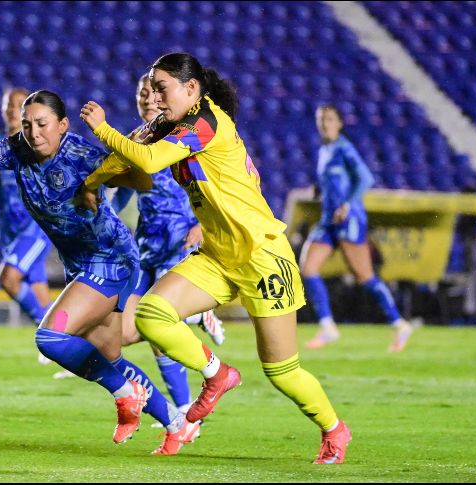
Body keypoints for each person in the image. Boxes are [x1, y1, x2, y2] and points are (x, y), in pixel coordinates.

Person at [79, 52, 351, 464]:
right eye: (151, 87)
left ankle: (334, 429)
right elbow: (127, 156)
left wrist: (102, 128)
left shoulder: (206, 121)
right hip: (217, 255)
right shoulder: (167, 125)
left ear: (191, 89)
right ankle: (217, 375)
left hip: (261, 255)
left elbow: (148, 160)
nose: (154, 96)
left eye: (161, 87)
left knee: (281, 370)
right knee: (153, 314)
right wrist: (92, 183)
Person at [0, 89, 201, 455]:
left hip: (110, 259)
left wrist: (99, 180)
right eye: (27, 124)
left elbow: (143, 182)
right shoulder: (16, 148)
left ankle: (124, 393)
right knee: (112, 357)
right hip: (81, 264)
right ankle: (177, 426)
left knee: (50, 338)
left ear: (62, 125)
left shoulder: (81, 155)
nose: (34, 132)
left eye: (42, 124)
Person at [107, 74, 226, 414]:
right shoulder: (136, 141)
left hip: (179, 240)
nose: (146, 98)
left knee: (156, 327)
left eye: (152, 92)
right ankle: (195, 317)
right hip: (148, 245)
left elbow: (209, 182)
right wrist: (102, 218)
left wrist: (201, 225)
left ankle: (185, 410)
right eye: (140, 93)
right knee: (126, 331)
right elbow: (126, 190)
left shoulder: (179, 136)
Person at [298, 104, 414, 352]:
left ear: (339, 123)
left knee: (364, 276)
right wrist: (320, 191)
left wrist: (347, 205)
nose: (324, 124)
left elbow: (366, 178)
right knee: (308, 267)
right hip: (329, 219)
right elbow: (332, 181)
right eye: (321, 120)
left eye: (329, 119)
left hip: (349, 219)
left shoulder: (344, 148)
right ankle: (328, 326)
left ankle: (399, 323)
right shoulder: (324, 150)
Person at [0, 88, 54, 345]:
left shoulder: (37, 142)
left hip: (36, 227)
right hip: (11, 231)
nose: (11, 110)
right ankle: (71, 345)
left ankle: (51, 335)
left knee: (8, 278)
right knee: (40, 292)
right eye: (7, 105)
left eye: (17, 105)